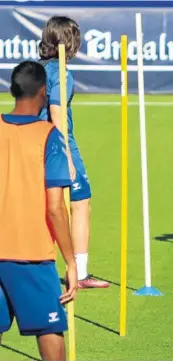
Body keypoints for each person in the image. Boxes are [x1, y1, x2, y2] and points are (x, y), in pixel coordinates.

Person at [0, 61, 78, 361]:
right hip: (31, 255)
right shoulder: (49, 136)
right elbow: (56, 208)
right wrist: (71, 262)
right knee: (50, 333)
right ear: (43, 92)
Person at [38, 16, 109, 288]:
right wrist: (65, 155)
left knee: (45, 205)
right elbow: (56, 110)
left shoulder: (36, 68)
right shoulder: (61, 71)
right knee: (80, 201)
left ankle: (41, 270)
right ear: (70, 42)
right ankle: (79, 273)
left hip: (35, 142)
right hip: (58, 143)